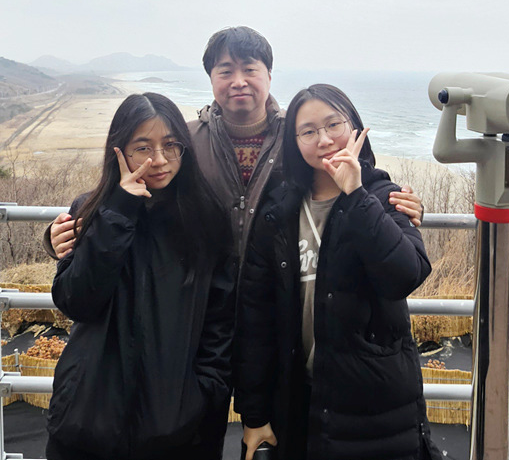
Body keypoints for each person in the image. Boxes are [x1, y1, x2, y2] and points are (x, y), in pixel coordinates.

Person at [44, 27, 424, 261]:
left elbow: (344, 179)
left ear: (269, 75)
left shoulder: (298, 137)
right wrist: (65, 233)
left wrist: (393, 204)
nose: (238, 81)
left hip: (279, 295)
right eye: (226, 71)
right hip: (203, 294)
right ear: (211, 78)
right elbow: (129, 190)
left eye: (250, 69)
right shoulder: (184, 141)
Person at [233, 84, 441, 460]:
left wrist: (356, 194)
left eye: (334, 125)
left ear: (354, 127)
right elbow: (256, 318)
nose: (324, 139)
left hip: (375, 407)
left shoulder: (384, 197)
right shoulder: (278, 211)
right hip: (299, 403)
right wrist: (255, 414)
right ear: (294, 142)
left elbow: (405, 276)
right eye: (308, 131)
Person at [47, 93, 234, 460]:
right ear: (118, 151)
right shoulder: (93, 212)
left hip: (177, 428)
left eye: (171, 145)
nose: (159, 160)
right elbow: (76, 301)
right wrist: (118, 211)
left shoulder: (206, 217)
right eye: (143, 148)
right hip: (87, 422)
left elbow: (220, 320)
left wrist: (201, 394)